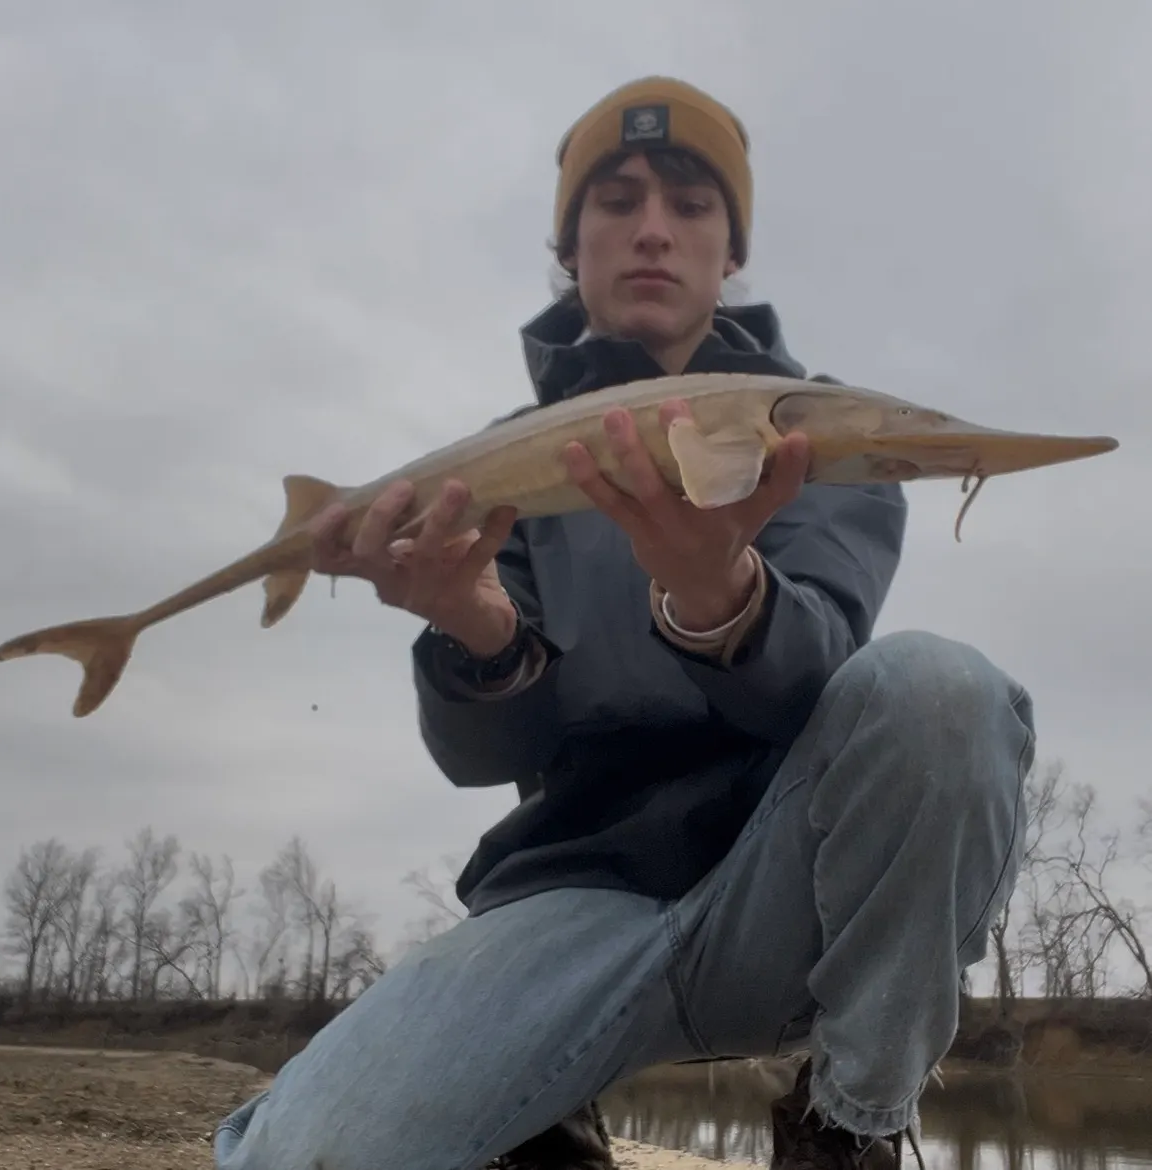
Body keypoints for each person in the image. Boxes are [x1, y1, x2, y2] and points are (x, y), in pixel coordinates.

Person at [214, 76, 1035, 1170]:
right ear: (570, 246)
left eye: (691, 205)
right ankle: (542, 1110)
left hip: (787, 896)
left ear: (731, 251)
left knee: (942, 692)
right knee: (297, 1156)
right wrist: (476, 631)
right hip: (572, 897)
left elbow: (819, 689)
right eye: (617, 200)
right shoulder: (496, 470)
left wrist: (720, 595)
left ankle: (848, 1122)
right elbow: (478, 756)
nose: (654, 229)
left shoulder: (820, 439)